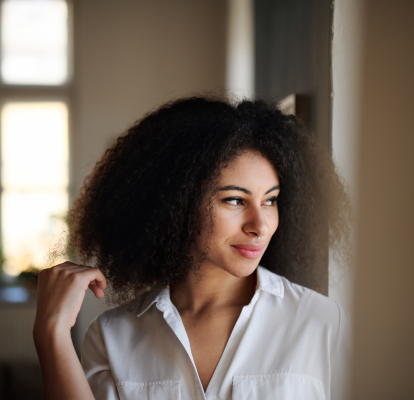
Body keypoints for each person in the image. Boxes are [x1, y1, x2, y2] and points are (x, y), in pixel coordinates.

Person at [33, 96, 352, 400]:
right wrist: (52, 334)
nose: (260, 225)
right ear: (178, 204)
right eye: (235, 200)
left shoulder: (323, 324)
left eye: (270, 200)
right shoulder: (112, 337)